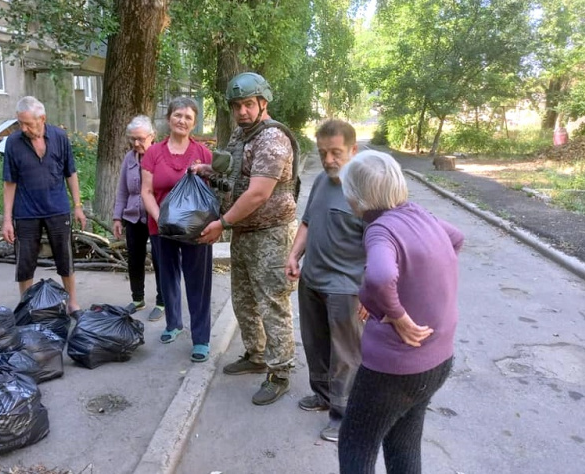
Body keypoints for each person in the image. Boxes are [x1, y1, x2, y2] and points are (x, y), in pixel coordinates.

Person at [336, 150, 464, 474]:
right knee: (403, 442)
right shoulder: (419, 214)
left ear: (358, 196)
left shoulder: (380, 229)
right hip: (437, 361)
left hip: (393, 372)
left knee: (355, 445)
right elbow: (456, 238)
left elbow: (379, 277)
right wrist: (420, 284)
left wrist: (397, 314)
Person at [194, 72, 299, 405]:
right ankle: (255, 354)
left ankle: (280, 372)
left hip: (272, 233)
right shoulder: (241, 136)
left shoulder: (272, 140)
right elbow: (232, 176)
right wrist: (205, 171)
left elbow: (257, 194)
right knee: (243, 300)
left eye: (248, 104)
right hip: (245, 233)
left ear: (262, 103)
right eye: (236, 105)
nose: (241, 111)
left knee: (272, 303)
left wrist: (221, 223)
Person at [285, 119, 365, 442]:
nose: (329, 160)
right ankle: (322, 395)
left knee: (345, 355)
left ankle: (344, 415)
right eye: (323, 153)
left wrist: (372, 291)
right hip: (312, 280)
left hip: (346, 287)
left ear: (353, 150)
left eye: (336, 152)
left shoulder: (366, 189)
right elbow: (306, 222)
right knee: (315, 343)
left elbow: (380, 242)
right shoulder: (320, 180)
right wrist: (293, 255)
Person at [140, 97, 214, 363]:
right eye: (178, 115)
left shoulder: (203, 153)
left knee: (199, 283)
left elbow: (211, 192)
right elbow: (146, 191)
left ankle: (201, 339)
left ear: (194, 123)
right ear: (169, 117)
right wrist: (162, 220)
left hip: (196, 230)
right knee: (168, 279)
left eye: (188, 117)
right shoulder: (153, 153)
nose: (182, 120)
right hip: (160, 227)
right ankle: (173, 324)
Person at [2, 96, 87, 313]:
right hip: (25, 212)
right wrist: (7, 219)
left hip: (57, 209)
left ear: (42, 119)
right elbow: (9, 182)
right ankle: (25, 305)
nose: (23, 128)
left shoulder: (59, 137)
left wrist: (77, 205)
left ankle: (72, 303)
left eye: (28, 123)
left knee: (65, 258)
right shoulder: (13, 143)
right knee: (25, 262)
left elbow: (71, 173)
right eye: (20, 123)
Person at [113, 115, 165, 321]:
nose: (136, 143)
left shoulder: (161, 155)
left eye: (140, 139)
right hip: (133, 217)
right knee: (134, 259)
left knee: (161, 260)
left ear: (152, 136)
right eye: (133, 139)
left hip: (157, 216)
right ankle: (138, 299)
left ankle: (162, 301)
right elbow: (122, 191)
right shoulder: (129, 158)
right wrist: (118, 217)